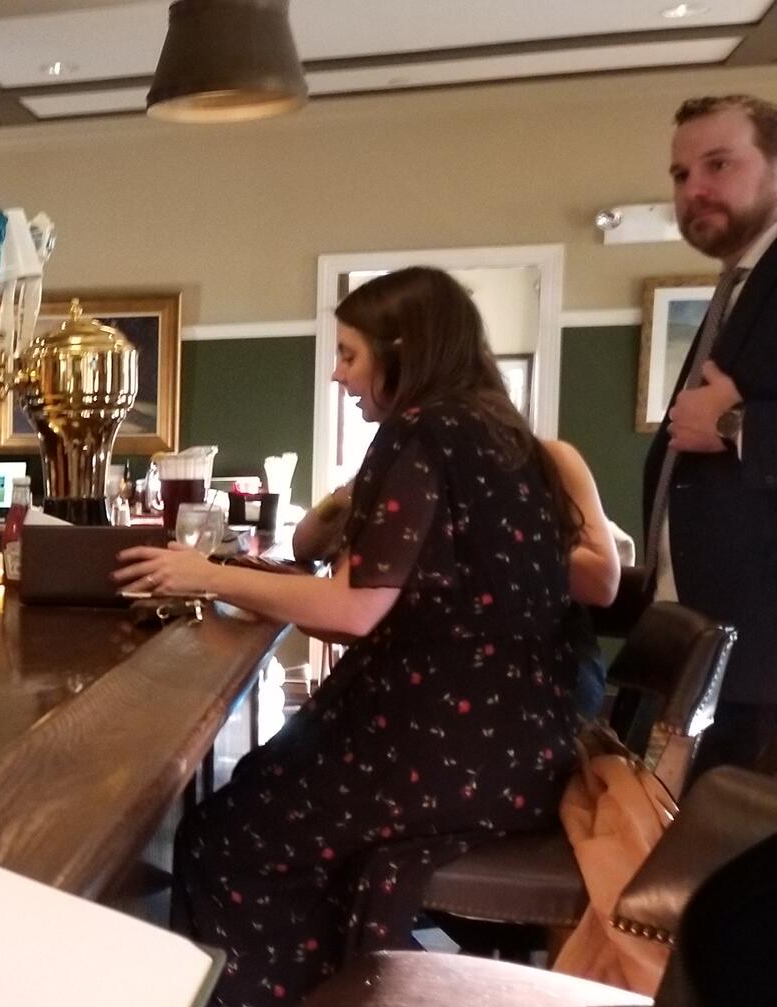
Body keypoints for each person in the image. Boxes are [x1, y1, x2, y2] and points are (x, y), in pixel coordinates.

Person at [117, 267, 581, 1007]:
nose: (337, 374)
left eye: (349, 354)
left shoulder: (421, 431)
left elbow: (356, 607)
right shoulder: (505, 436)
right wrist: (252, 573)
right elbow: (393, 590)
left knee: (224, 838)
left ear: (403, 352)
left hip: (446, 751)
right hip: (522, 751)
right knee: (259, 799)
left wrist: (204, 573)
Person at [639, 94, 777, 776]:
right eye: (680, 174)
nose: (694, 189)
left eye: (719, 164)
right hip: (712, 644)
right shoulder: (740, 285)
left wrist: (732, 424)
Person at [296, 438, 619, 715]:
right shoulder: (404, 473)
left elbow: (602, 582)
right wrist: (349, 492)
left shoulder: (550, 460)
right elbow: (304, 544)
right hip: (436, 661)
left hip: (545, 662)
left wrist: (484, 531)